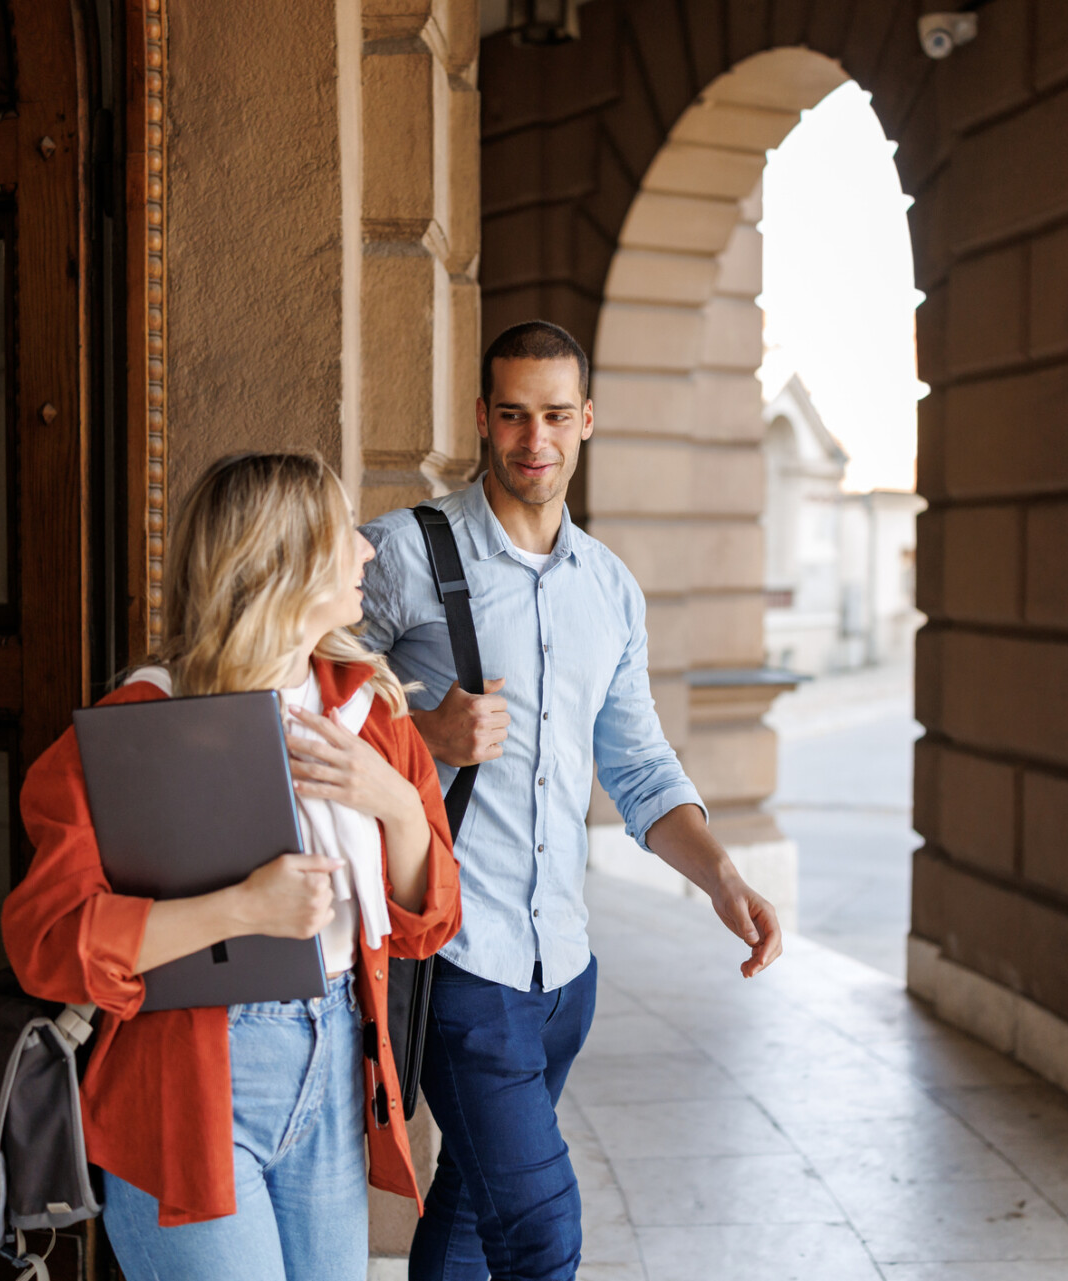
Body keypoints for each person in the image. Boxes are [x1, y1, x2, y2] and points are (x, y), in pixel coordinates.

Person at [358, 320, 786, 1281]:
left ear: (586, 419)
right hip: (463, 961)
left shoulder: (611, 589)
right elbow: (305, 716)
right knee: (542, 1232)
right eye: (512, 414)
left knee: (472, 1207)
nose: (533, 439)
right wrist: (426, 737)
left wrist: (722, 877)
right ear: (482, 417)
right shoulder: (400, 555)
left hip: (566, 976)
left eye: (555, 414)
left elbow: (638, 767)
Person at [2, 452, 462, 1281]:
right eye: (342, 533)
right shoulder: (138, 727)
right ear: (280, 561)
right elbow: (48, 941)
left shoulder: (371, 709)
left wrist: (392, 801)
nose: (367, 550)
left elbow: (431, 922)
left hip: (333, 1058)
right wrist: (246, 908)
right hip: (190, 1080)